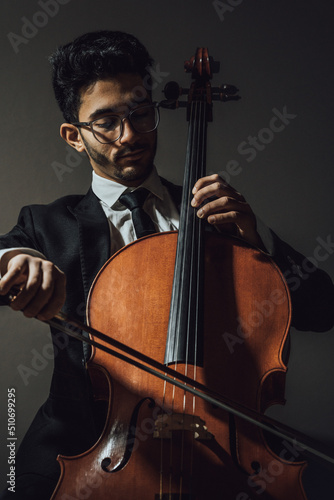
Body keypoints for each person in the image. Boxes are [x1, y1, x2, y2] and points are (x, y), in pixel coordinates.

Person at [0, 30, 333, 499]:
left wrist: (258, 239)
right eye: (107, 122)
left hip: (222, 444)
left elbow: (323, 309)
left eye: (140, 113)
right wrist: (15, 262)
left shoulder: (214, 219)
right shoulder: (47, 224)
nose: (130, 135)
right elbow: (3, 258)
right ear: (74, 137)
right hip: (86, 445)